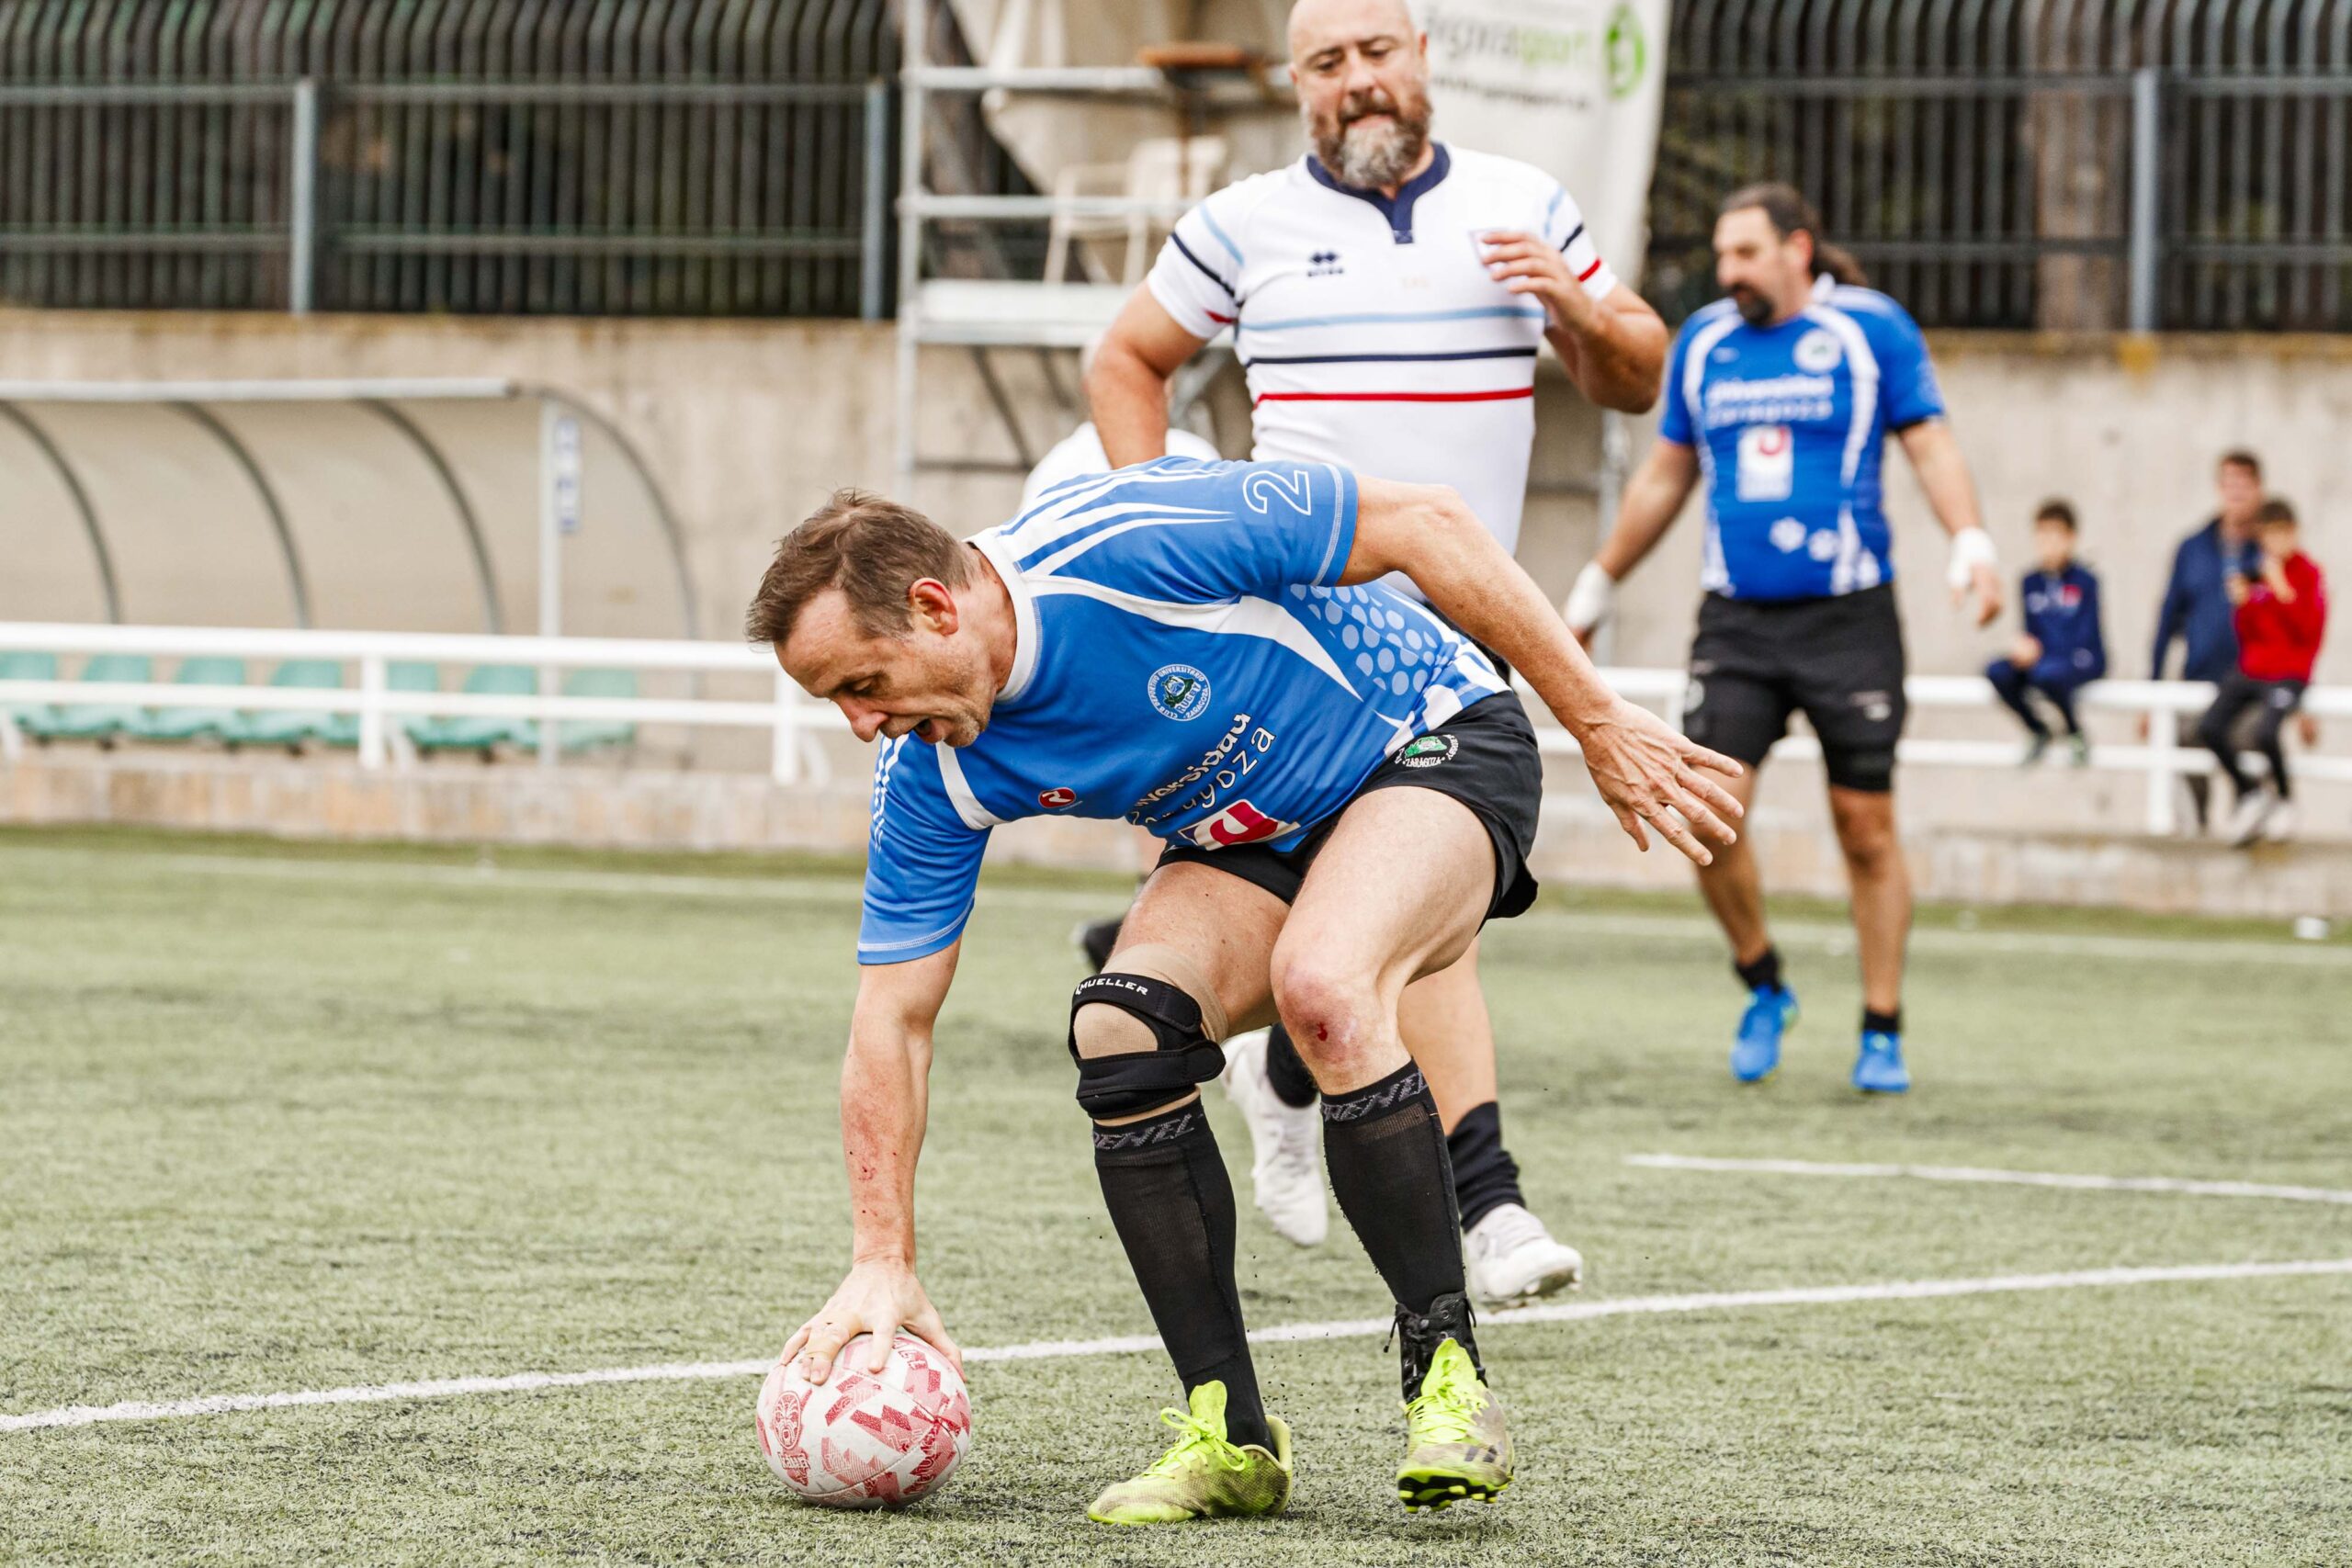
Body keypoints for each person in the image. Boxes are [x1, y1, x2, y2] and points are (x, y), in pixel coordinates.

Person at [757, 458, 1742, 1524]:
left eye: (862, 684)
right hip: (1251, 836)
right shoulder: (932, 769)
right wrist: (880, 1258)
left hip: (1426, 738)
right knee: (1120, 1025)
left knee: (1323, 980)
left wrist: (1595, 719)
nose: (861, 724)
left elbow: (1428, 520)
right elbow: (891, 1017)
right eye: (836, 702)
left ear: (935, 607)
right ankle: (1230, 1437)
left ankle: (1447, 1382)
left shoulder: (1123, 542)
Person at [1077, 0, 1669, 1304]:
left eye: (1377, 53)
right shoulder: (1240, 223)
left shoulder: (1520, 202)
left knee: (1417, 919)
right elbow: (1125, 358)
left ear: (1422, 59)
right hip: (1308, 644)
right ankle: (1488, 1201)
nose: (1357, 82)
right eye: (1327, 63)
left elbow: (1638, 375)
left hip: (1467, 627)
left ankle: (1297, 1083)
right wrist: (1153, 523)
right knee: (1403, 925)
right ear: (1296, 84)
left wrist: (1576, 306)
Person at [1564, 183, 2002, 1094]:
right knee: (1706, 812)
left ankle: (1881, 1025)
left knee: (1864, 828)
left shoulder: (1869, 331)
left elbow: (1929, 444)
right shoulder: (1704, 345)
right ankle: (1764, 982)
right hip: (1737, 622)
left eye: (1746, 253)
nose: (1728, 272)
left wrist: (1970, 539)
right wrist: (1597, 582)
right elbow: (1664, 476)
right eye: (1721, 255)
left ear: (1797, 248)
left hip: (1849, 620)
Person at [2199, 498, 2328, 845]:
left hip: (2290, 671)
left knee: (2265, 732)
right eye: (2269, 536)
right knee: (2209, 726)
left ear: (2294, 533)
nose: (2276, 543)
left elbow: (2310, 630)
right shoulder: (2256, 575)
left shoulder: (2307, 574)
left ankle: (2285, 800)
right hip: (2253, 668)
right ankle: (2250, 792)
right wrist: (2243, 604)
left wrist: (2283, 590)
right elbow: (2248, 634)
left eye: (2281, 534)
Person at [2150, 451, 2267, 831]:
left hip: (2251, 685)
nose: (2236, 493)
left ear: (2258, 490)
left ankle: (2245, 834)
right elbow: (2167, 619)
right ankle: (2197, 836)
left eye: (2244, 484)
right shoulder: (2193, 548)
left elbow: (2293, 624)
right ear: (2219, 488)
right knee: (2189, 762)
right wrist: (2153, 689)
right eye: (2229, 483)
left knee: (2249, 766)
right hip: (2198, 679)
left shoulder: (2270, 552)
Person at [1985, 501, 2105, 765]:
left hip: (2079, 659)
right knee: (1997, 671)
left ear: (2070, 538)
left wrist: (2041, 652)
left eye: (2055, 535)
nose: (2047, 544)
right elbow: (2031, 631)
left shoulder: (2085, 582)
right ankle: (2038, 729)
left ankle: (2074, 731)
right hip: (2043, 661)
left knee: (2046, 673)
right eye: (2042, 535)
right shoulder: (2030, 582)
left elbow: (2084, 636)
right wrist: (2024, 647)